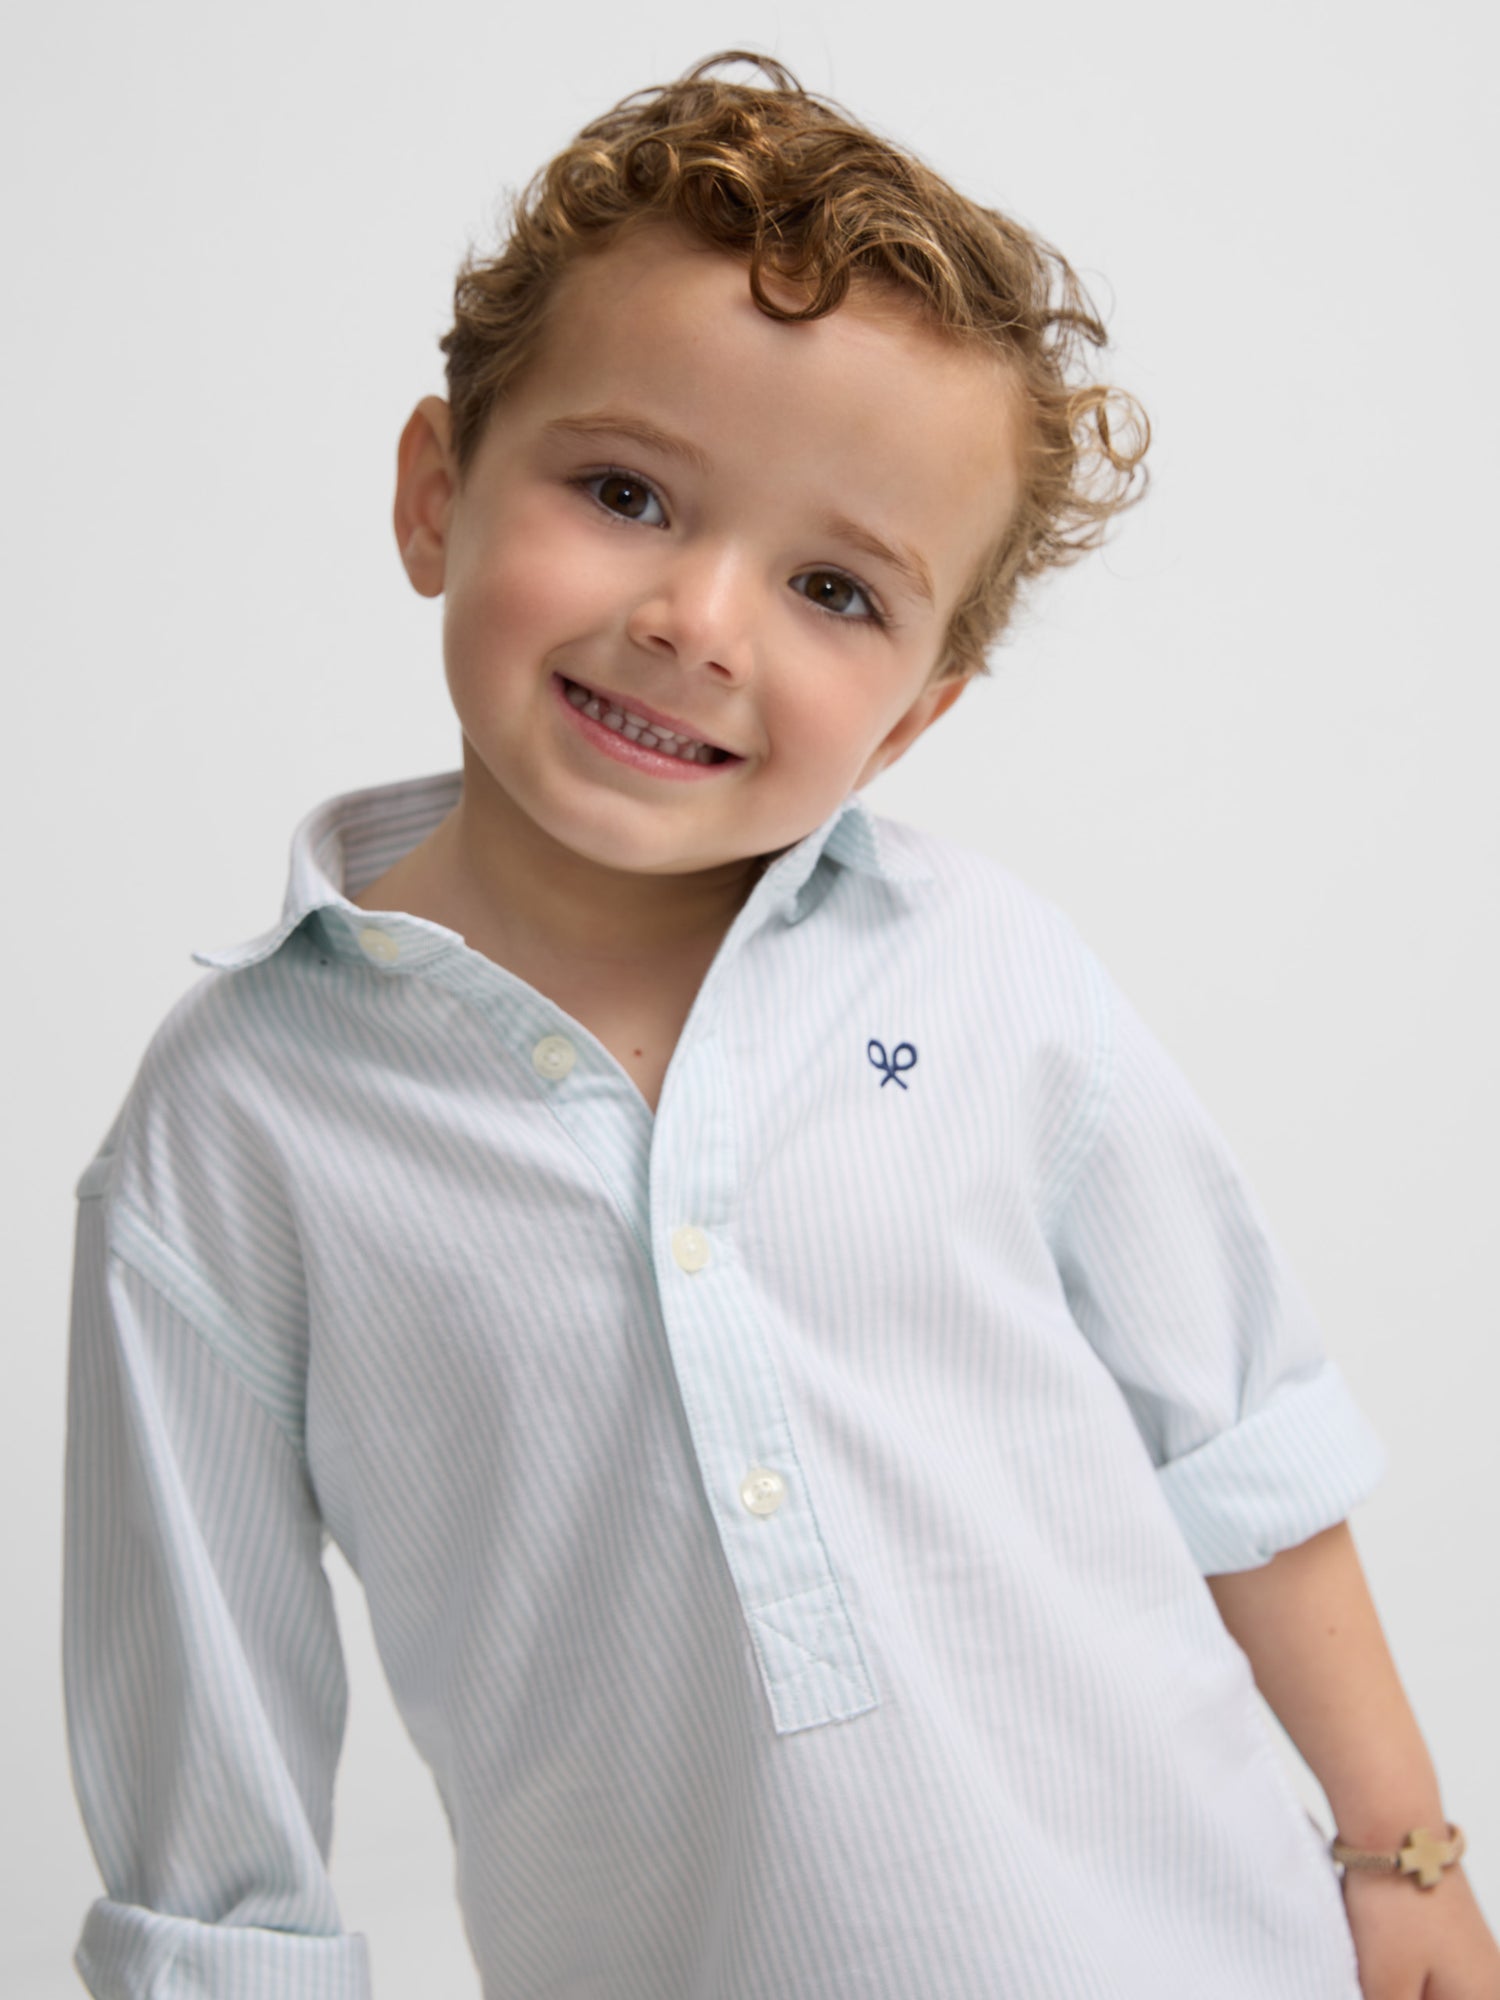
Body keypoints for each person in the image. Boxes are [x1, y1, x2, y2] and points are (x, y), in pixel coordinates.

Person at [62, 48, 1499, 2000]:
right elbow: (203, 1754)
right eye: (625, 492)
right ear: (435, 491)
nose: (700, 621)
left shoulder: (989, 976)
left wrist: (1402, 1856)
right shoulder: (240, 1124)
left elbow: (1240, 1440)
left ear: (913, 717)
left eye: (834, 587)